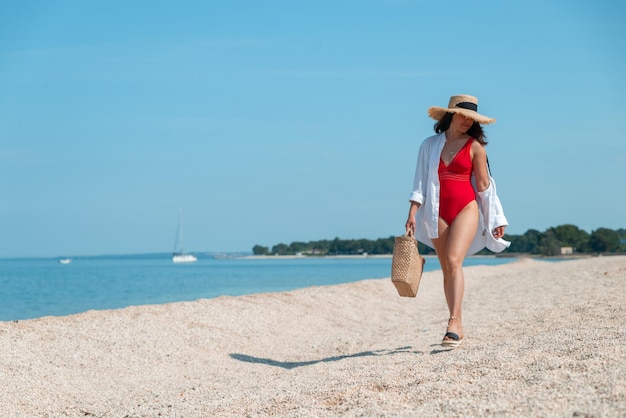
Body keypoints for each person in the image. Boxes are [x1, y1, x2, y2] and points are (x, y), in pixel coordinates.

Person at [405, 94, 510, 348]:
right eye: (463, 115)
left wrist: (496, 218)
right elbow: (420, 182)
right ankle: (458, 326)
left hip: (466, 207)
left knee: (454, 260)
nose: (466, 121)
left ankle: (452, 322)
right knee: (447, 268)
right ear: (451, 114)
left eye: (471, 118)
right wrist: (412, 212)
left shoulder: (475, 147)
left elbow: (485, 187)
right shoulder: (429, 145)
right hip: (435, 211)